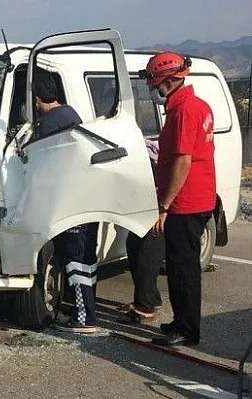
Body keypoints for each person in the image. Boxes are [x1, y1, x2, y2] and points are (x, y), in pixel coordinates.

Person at [141, 51, 216, 347]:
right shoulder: (197, 106)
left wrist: (164, 204)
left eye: (157, 82)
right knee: (181, 266)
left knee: (182, 268)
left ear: (170, 80)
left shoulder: (184, 111)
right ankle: (182, 322)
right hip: (199, 197)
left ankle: (186, 329)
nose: (155, 89)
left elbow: (182, 161)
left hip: (186, 202)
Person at [31, 74, 100, 334]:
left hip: (70, 202)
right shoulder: (71, 114)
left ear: (37, 98)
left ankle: (84, 318)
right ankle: (86, 308)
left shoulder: (46, 124)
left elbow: (37, 159)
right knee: (87, 259)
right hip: (89, 199)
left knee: (73, 260)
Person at [118, 138, 165, 324]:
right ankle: (151, 298)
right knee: (135, 245)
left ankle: (145, 307)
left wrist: (163, 206)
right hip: (150, 198)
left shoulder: (148, 155)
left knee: (147, 252)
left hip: (159, 202)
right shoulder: (139, 146)